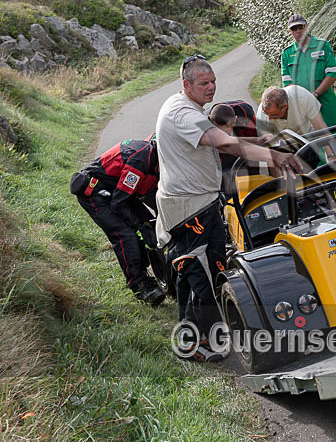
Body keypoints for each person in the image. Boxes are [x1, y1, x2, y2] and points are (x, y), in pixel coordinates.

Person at [155, 55, 301, 362]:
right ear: (186, 84)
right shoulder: (183, 113)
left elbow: (218, 140)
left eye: (213, 81)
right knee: (207, 276)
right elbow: (224, 143)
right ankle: (202, 344)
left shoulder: (186, 107)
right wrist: (273, 157)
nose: (211, 88)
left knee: (187, 274)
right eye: (203, 83)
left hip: (191, 204)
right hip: (192, 209)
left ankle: (189, 338)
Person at [70, 137, 165, 305]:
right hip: (95, 193)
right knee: (125, 235)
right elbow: (119, 204)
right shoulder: (140, 161)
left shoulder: (156, 153)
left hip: (117, 191)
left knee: (147, 224)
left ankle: (149, 270)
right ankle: (140, 286)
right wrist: (141, 227)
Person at [281, 14, 336, 131]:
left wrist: (315, 94)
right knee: (312, 144)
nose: (298, 31)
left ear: (307, 27)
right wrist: (304, 99)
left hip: (326, 103)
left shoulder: (323, 45)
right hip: (302, 108)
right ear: (290, 31)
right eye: (294, 29)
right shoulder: (286, 53)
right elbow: (287, 84)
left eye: (301, 27)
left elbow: (332, 74)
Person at [254, 85, 336, 166]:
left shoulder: (302, 97)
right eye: (267, 114)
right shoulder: (262, 116)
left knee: (312, 172)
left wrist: (331, 157)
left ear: (284, 107)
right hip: (280, 147)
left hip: (306, 141)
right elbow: (269, 152)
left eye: (274, 115)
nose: (270, 118)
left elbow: (321, 129)